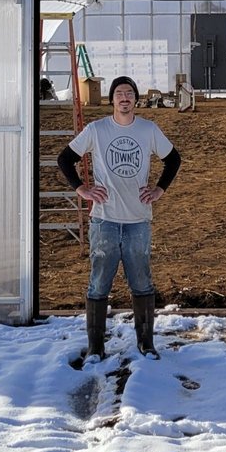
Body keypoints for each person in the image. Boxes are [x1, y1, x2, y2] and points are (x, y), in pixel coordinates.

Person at [57, 74, 182, 361]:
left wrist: (159, 190)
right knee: (99, 282)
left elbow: (173, 159)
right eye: (119, 94)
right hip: (105, 219)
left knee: (141, 281)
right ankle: (95, 347)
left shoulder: (148, 130)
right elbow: (65, 159)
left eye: (129, 94)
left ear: (135, 99)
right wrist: (82, 189)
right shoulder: (97, 129)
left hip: (138, 219)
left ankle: (146, 343)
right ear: (111, 99)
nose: (124, 98)